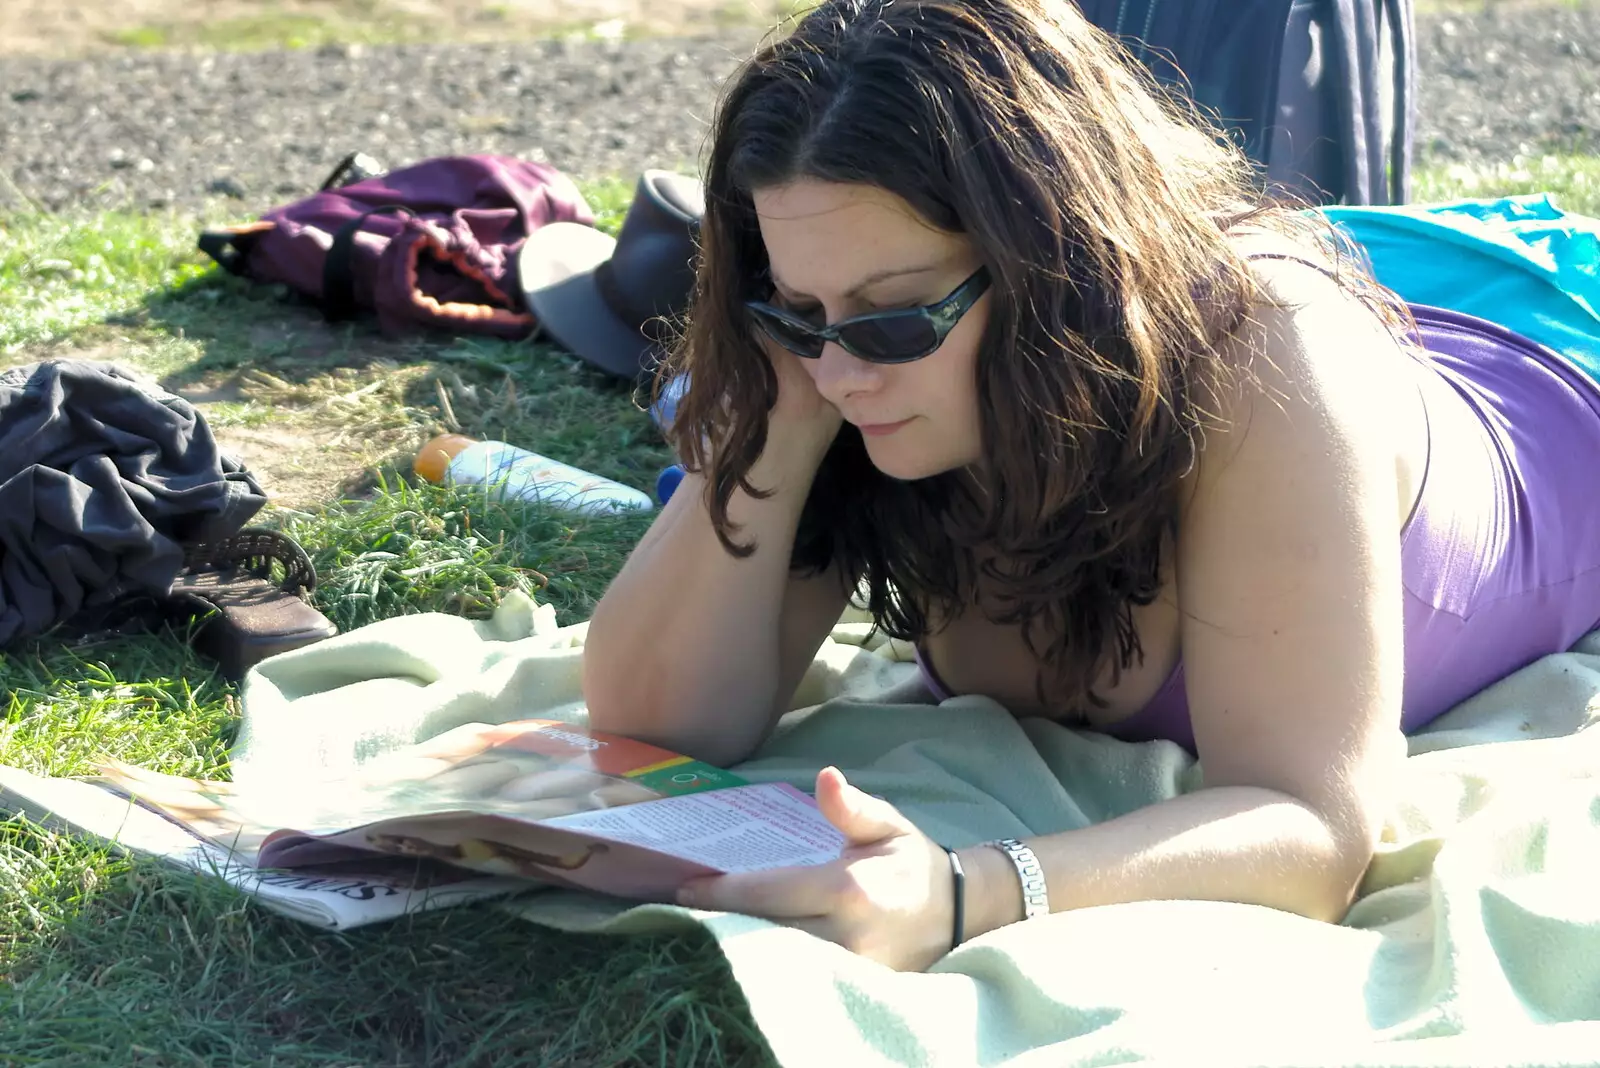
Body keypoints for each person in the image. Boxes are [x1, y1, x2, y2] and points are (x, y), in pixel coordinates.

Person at [580, 0, 1600, 971]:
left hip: (1543, 356)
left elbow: (1310, 830)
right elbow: (659, 720)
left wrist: (961, 895)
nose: (841, 370)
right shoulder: (852, 365)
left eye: (889, 317)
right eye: (796, 309)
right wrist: (772, 425)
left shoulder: (1262, 366)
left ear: (1050, 274)